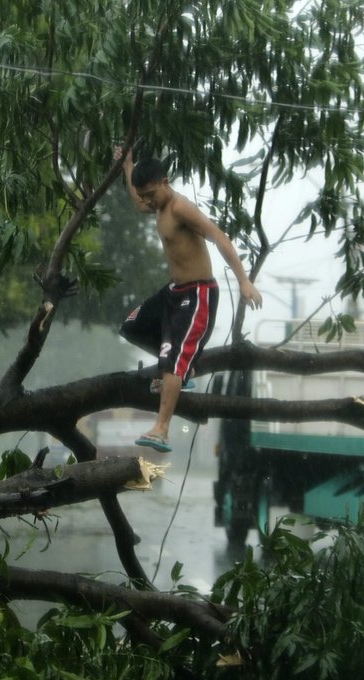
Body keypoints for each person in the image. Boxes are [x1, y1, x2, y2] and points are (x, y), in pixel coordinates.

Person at [115, 147, 262, 453]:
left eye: (152, 194)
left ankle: (162, 429)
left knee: (171, 364)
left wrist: (244, 281)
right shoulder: (156, 204)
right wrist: (127, 166)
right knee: (132, 326)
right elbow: (137, 199)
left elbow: (220, 237)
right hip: (174, 291)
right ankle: (183, 366)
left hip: (198, 294)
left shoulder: (181, 207)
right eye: (145, 195)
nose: (148, 201)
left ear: (165, 181)